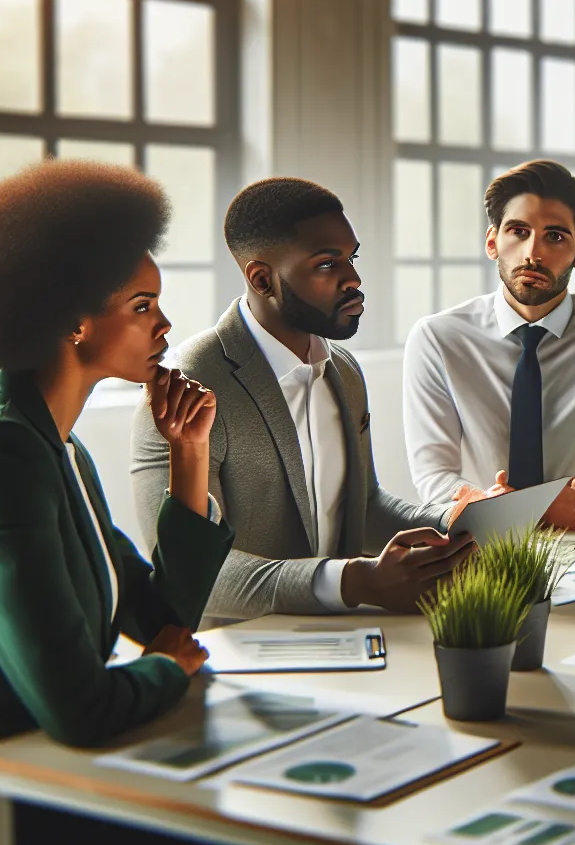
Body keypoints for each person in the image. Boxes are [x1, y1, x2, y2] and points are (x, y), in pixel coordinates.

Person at [0, 161, 315, 845]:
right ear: (71, 319)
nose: (164, 324)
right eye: (141, 305)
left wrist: (189, 455)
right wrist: (168, 668)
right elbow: (81, 707)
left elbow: (163, 616)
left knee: (299, 841)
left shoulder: (51, 444)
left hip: (35, 770)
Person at [132, 178, 464, 622]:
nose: (354, 279)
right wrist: (354, 581)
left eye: (352, 258)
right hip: (242, 654)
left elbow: (361, 507)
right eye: (328, 264)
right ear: (262, 279)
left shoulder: (342, 370)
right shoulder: (188, 385)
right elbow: (192, 573)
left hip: (354, 641)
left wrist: (462, 522)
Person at [403, 159, 575, 530]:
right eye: (518, 231)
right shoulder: (438, 339)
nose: (532, 253)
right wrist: (531, 510)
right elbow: (433, 477)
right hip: (480, 534)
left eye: (554, 236)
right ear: (492, 241)